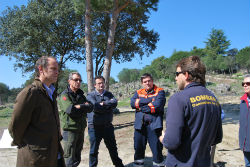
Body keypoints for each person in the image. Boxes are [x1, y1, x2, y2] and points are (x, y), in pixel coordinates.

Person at [159, 56, 223, 167]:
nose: (175, 78)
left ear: (187, 75)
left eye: (177, 74)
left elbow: (171, 142)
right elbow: (217, 138)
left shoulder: (178, 99)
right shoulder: (213, 99)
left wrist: (163, 138)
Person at [8, 56, 65, 167]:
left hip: (53, 155)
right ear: (41, 69)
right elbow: (15, 127)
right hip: (36, 159)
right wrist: (28, 146)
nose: (57, 72)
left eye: (58, 69)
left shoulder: (51, 92)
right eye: (53, 69)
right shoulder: (31, 93)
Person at [86, 76, 124, 167]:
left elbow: (114, 103)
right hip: (94, 127)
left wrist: (104, 104)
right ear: (95, 85)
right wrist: (108, 106)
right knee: (93, 150)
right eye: (99, 83)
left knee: (113, 148)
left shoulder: (109, 94)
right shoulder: (90, 95)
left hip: (108, 127)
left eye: (102, 82)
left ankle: (119, 165)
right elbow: (95, 107)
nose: (101, 85)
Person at [57, 72, 93, 167]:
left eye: (80, 80)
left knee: (77, 157)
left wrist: (79, 107)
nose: (78, 82)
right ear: (69, 81)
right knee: (68, 158)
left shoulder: (81, 95)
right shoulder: (64, 95)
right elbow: (70, 110)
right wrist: (83, 107)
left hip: (80, 129)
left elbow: (90, 107)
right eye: (76, 80)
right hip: (70, 131)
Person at [130, 73, 166, 167]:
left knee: (156, 149)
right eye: (145, 81)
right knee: (138, 147)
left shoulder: (160, 91)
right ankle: (138, 164)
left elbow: (158, 105)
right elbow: (132, 103)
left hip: (154, 125)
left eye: (149, 81)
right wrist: (150, 101)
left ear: (152, 81)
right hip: (140, 125)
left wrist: (140, 105)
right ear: (142, 83)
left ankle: (158, 164)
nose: (147, 83)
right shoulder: (138, 92)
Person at [239, 74, 250, 167]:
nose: (245, 85)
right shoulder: (242, 101)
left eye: (248, 83)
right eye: (243, 83)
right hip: (245, 144)